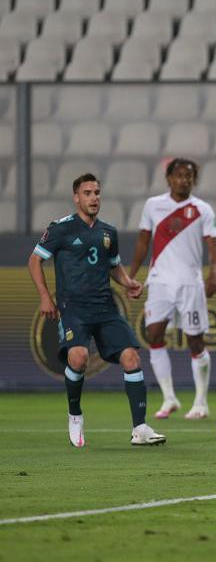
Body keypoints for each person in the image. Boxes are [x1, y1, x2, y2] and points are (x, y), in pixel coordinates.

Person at [27, 173, 165, 447]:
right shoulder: (60, 229)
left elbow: (113, 265)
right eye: (88, 193)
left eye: (97, 193)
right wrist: (44, 296)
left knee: (131, 358)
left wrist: (127, 282)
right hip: (73, 308)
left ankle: (140, 428)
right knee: (78, 358)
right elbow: (34, 261)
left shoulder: (107, 231)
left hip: (106, 307)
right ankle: (75, 414)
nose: (94, 198)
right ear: (76, 197)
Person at [128, 158, 216, 420]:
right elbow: (142, 244)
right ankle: (169, 398)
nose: (184, 180)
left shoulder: (202, 209)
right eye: (179, 175)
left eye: (189, 176)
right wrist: (130, 277)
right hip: (159, 282)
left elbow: (213, 245)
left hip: (190, 283)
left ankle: (201, 402)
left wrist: (213, 274)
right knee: (154, 335)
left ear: (194, 180)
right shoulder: (153, 206)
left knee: (195, 341)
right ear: (168, 178)